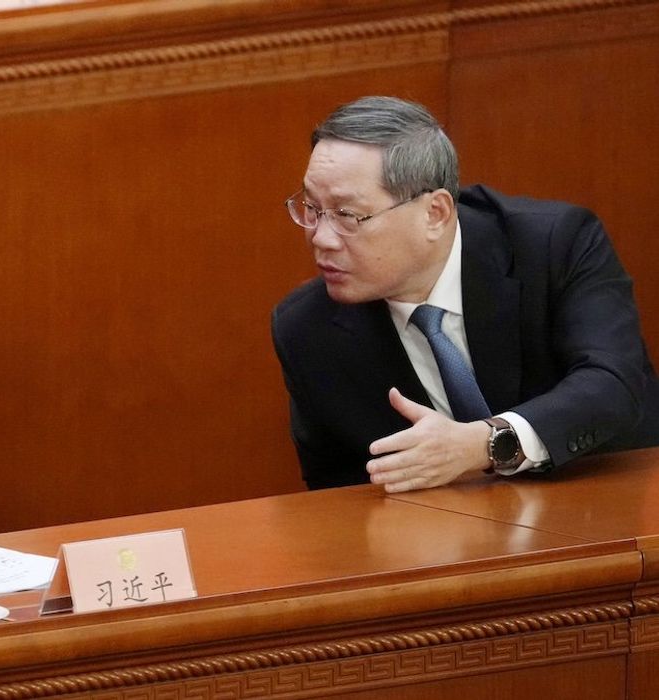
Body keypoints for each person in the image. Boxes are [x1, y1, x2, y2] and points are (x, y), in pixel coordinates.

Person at [271, 96, 659, 493]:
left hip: (611, 507)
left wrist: (484, 444)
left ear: (435, 213)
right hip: (445, 541)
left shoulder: (553, 246)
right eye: (312, 209)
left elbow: (613, 385)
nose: (320, 238)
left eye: (347, 215)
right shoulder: (308, 330)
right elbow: (338, 492)